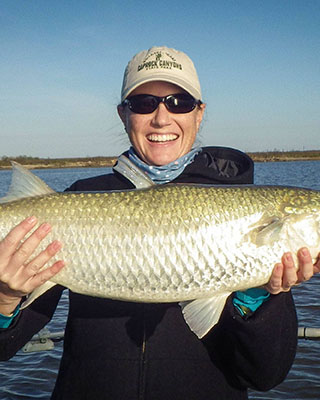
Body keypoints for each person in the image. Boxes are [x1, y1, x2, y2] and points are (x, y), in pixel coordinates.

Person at [0, 46, 319, 400]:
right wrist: (5, 296)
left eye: (179, 102)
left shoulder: (242, 204)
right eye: (144, 103)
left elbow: (265, 376)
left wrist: (257, 296)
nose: (162, 117)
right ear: (123, 115)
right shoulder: (76, 198)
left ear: (200, 114)